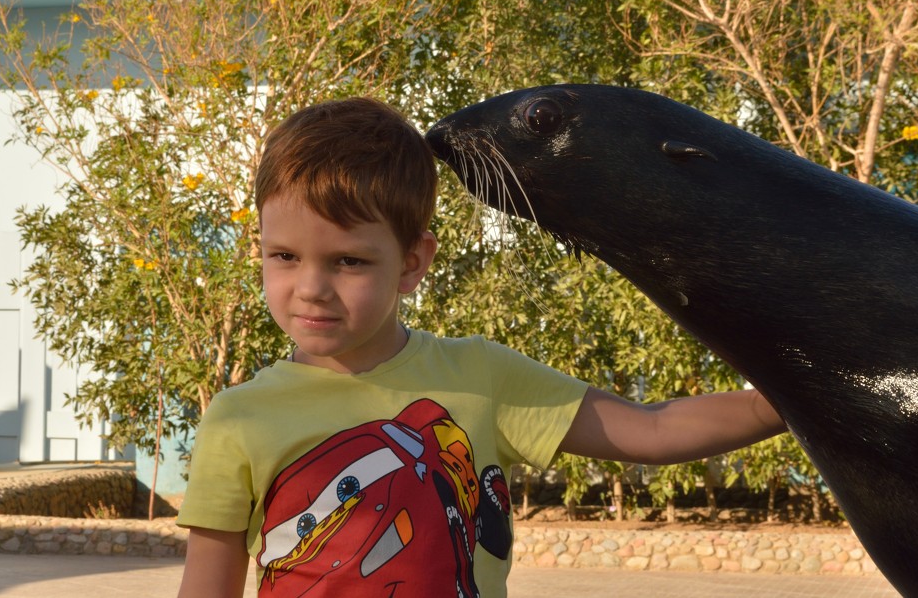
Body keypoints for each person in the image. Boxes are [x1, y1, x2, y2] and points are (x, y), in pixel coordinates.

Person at [175, 97, 786, 597]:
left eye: (348, 261)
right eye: (283, 256)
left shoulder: (478, 375)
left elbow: (650, 430)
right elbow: (207, 587)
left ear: (412, 261)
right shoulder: (238, 419)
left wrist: (787, 403)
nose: (310, 288)